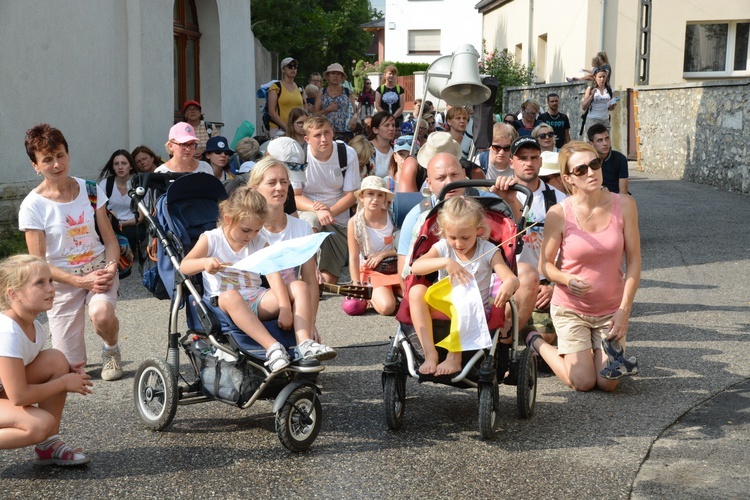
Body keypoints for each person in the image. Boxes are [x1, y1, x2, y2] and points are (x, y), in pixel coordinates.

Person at [180, 186, 335, 373]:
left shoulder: (258, 240)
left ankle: (305, 343)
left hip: (255, 298)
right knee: (231, 296)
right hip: (223, 303)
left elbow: (272, 272)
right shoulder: (212, 239)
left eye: (257, 230)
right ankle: (273, 348)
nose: (251, 236)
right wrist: (204, 262)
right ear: (228, 220)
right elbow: (184, 266)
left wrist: (284, 306)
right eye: (246, 230)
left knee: (300, 287)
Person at [528, 141, 641, 391]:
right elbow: (544, 265)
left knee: (608, 383)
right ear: (568, 178)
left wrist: (624, 311)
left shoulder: (624, 205)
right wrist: (566, 280)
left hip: (611, 310)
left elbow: (634, 263)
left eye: (595, 164)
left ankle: (592, 350)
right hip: (571, 308)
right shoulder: (559, 213)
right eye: (581, 170)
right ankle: (536, 341)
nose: (591, 172)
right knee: (583, 382)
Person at [19, 124, 124, 381]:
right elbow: (38, 263)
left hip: (98, 270)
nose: (57, 164)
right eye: (47, 160)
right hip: (62, 283)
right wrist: (80, 281)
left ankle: (111, 350)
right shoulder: (33, 206)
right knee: (70, 367)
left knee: (101, 314)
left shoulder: (89, 189)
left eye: (60, 155)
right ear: (35, 165)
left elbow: (110, 240)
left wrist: (110, 268)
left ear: (68, 153)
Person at [409, 196, 519, 375]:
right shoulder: (444, 247)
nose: (459, 244)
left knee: (463, 297)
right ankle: (430, 353)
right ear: (444, 233)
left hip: (473, 307)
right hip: (444, 304)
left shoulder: (487, 250)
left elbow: (511, 278)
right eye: (453, 237)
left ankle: (455, 357)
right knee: (416, 291)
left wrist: (509, 283)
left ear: (479, 231)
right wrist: (445, 262)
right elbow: (416, 267)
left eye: (465, 237)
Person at [0, 255, 93, 466]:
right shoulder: (7, 331)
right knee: (40, 425)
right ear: (13, 294)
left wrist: (65, 371)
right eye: (39, 283)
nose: (51, 288)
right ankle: (46, 438)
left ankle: (48, 446)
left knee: (56, 359)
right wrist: (63, 382)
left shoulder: (36, 327)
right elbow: (19, 396)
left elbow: (20, 371)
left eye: (50, 281)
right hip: (10, 394)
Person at [490, 136, 567, 343]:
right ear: (512, 162)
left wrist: (554, 287)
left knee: (546, 335)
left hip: (543, 283)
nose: (529, 163)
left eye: (534, 157)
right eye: (522, 158)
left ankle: (520, 332)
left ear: (541, 162)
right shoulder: (496, 195)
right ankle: (509, 340)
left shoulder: (560, 200)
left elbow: (571, 251)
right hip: (505, 280)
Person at [247, 156, 321, 341]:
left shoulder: (302, 228)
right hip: (260, 301)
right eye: (271, 183)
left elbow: (311, 281)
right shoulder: (248, 229)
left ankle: (305, 340)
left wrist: (311, 323)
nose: (279, 188)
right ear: (255, 188)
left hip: (294, 296)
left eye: (284, 182)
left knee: (301, 285)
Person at [294, 115, 360, 284]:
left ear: (333, 132)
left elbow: (352, 195)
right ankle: (310, 267)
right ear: (307, 139)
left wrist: (328, 212)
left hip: (337, 218)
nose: (323, 139)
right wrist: (318, 209)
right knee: (313, 219)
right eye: (317, 135)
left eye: (327, 133)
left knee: (328, 281)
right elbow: (295, 196)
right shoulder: (299, 156)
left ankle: (316, 277)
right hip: (309, 214)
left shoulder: (346, 153)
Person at [347, 176, 400, 316]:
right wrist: (356, 283)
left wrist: (384, 254)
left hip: (395, 266)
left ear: (385, 199)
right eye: (370, 194)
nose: (375, 199)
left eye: (380, 195)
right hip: (372, 270)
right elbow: (353, 257)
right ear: (362, 197)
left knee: (416, 298)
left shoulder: (393, 216)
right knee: (387, 308)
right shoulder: (354, 222)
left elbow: (405, 246)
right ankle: (376, 294)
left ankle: (389, 292)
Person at [96, 149, 143, 258]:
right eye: (116, 164)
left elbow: (140, 217)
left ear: (130, 166)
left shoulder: (138, 184)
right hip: (111, 222)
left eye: (124, 163)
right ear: (113, 167)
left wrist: (122, 224)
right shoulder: (106, 184)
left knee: (133, 233)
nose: (120, 167)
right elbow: (100, 210)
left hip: (131, 224)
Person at [315, 63, 357, 141]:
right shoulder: (322, 92)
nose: (335, 76)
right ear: (328, 76)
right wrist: (328, 109)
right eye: (333, 73)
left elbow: (354, 111)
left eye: (338, 74)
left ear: (342, 77)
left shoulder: (348, 92)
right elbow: (315, 115)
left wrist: (354, 118)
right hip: (327, 133)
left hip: (346, 133)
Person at [267, 57, 304, 137]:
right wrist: (287, 128)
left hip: (297, 130)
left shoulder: (300, 88)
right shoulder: (276, 87)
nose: (293, 68)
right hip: (280, 129)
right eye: (290, 66)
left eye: (295, 66)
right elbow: (272, 112)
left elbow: (304, 110)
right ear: (283, 69)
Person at [587, 123, 629, 194]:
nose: (605, 143)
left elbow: (623, 192)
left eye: (607, 139)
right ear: (591, 144)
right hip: (593, 199)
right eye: (600, 140)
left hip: (614, 198)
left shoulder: (620, 159)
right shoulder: (586, 160)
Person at [581, 68, 617, 134]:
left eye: (603, 77)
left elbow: (610, 108)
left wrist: (612, 105)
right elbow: (584, 107)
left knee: (605, 142)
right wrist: (591, 96)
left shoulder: (609, 90)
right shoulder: (590, 89)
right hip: (593, 120)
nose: (602, 79)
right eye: (600, 77)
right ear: (595, 77)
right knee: (593, 142)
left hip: (605, 120)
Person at [368, 112, 395, 178]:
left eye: (393, 125)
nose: (391, 129)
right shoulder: (366, 149)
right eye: (386, 125)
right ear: (375, 130)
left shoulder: (396, 150)